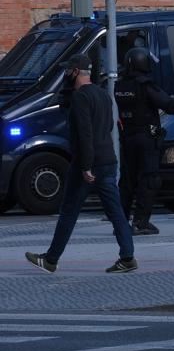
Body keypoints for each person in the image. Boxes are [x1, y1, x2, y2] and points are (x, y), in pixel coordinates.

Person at [25, 54, 137, 274]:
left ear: (76, 72)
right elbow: (108, 128)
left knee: (69, 212)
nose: (66, 74)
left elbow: (85, 134)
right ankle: (128, 257)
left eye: (69, 70)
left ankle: (51, 259)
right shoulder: (104, 94)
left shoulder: (80, 98)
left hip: (87, 163)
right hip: (107, 160)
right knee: (116, 212)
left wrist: (85, 166)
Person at [115, 47, 174, 235]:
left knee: (127, 182)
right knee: (149, 180)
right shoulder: (145, 86)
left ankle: (120, 222)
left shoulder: (120, 85)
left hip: (128, 138)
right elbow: (170, 106)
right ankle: (141, 221)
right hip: (146, 139)